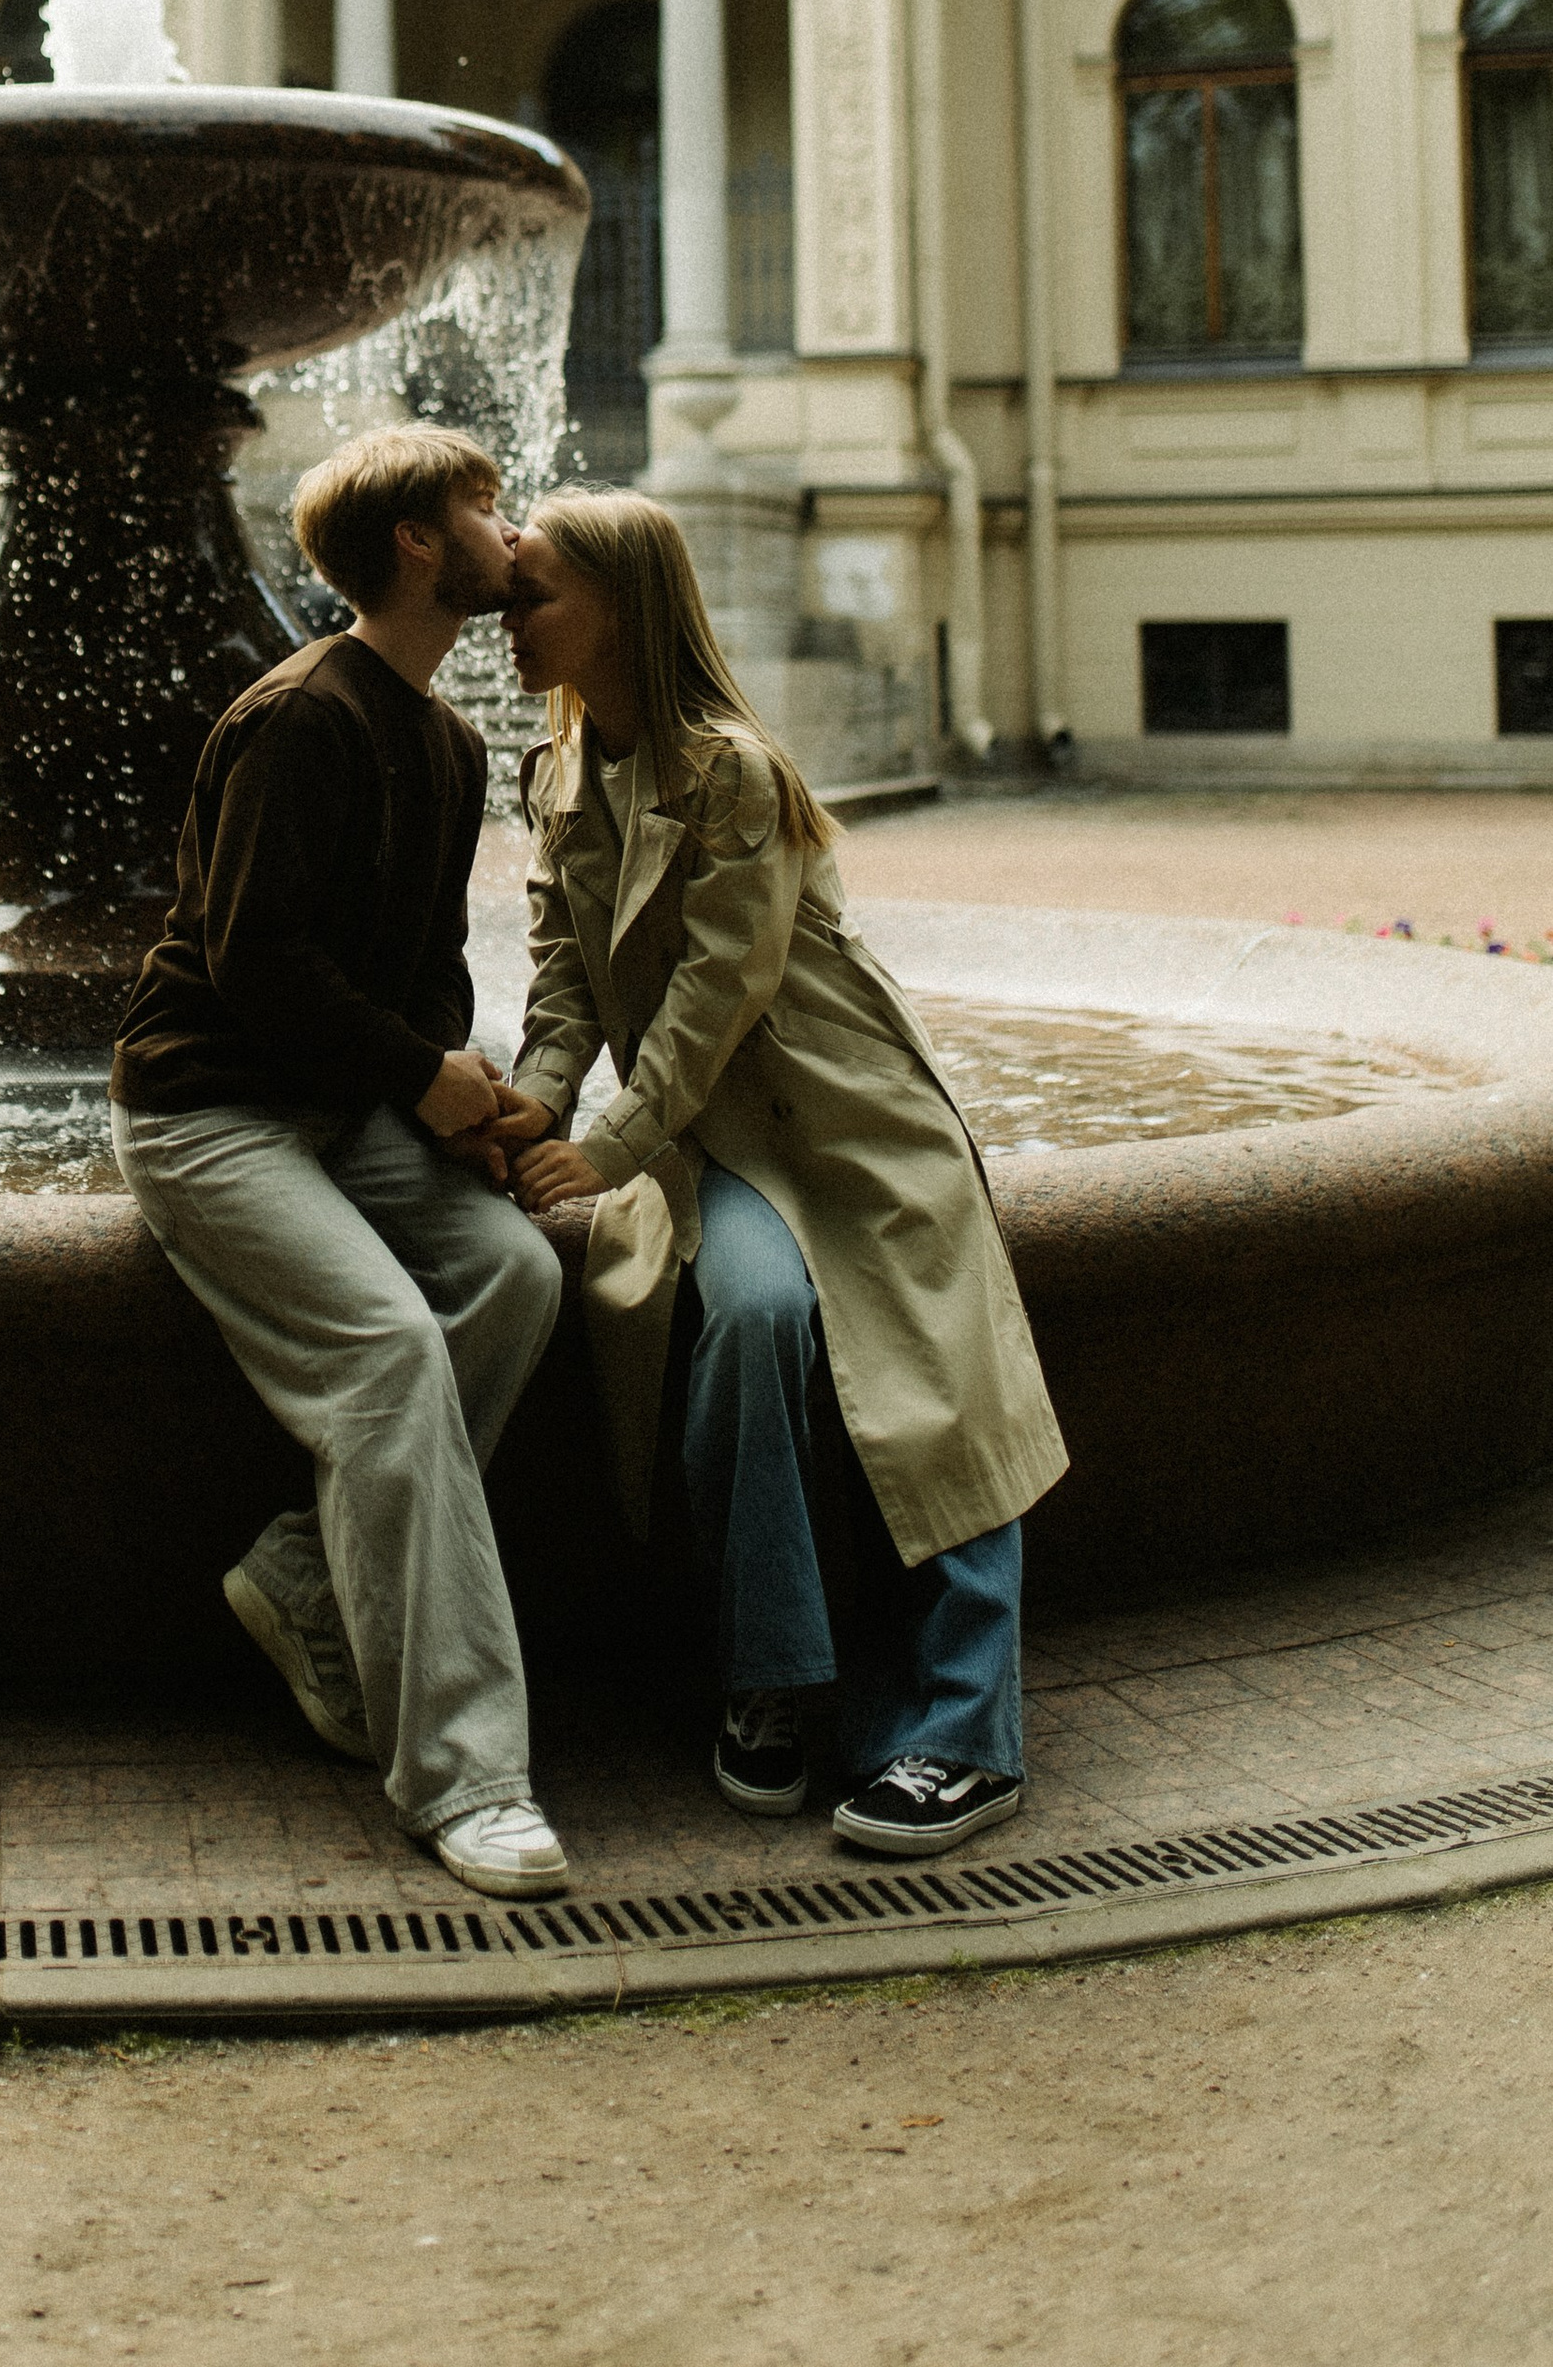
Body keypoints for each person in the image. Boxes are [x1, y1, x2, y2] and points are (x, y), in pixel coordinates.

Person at [495, 490, 1067, 1858]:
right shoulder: (559, 774)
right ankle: (776, 1678)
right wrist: (524, 1118)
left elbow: (716, 996)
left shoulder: (732, 767)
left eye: (533, 595)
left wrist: (603, 1149)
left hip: (845, 1115)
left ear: (625, 610)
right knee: (751, 1318)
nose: (504, 620)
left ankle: (965, 1731)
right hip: (715, 1146)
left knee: (938, 1381)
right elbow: (567, 984)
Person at [110, 423, 571, 1899]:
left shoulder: (446, 738)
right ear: (421, 542)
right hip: (212, 1111)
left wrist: (462, 1081)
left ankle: (309, 1580)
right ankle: (465, 1775)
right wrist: (412, 1074)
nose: (514, 531)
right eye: (485, 507)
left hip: (340, 1108)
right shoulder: (301, 715)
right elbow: (252, 966)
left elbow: (421, 971)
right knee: (386, 1355)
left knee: (512, 1273)